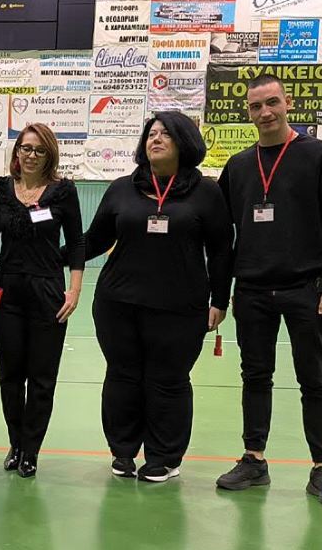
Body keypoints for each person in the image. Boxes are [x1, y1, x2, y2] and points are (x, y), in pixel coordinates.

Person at [215, 75, 322, 508]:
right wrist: (219, 295)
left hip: (308, 287)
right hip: (252, 290)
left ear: (288, 103)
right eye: (256, 106)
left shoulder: (321, 155)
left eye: (272, 103)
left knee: (314, 380)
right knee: (255, 376)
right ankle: (254, 460)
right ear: (248, 112)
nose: (265, 113)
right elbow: (221, 237)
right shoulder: (238, 166)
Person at [83, 112, 233, 482]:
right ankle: (122, 452)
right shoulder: (122, 189)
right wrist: (46, 257)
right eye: (151, 133)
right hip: (118, 304)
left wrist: (220, 300)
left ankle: (164, 457)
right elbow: (94, 240)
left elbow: (221, 250)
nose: (156, 138)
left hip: (180, 307)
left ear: (185, 142)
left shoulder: (206, 192)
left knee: (169, 381)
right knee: (122, 377)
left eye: (166, 133)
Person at [0, 122, 84, 478]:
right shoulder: (0, 190)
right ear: (17, 152)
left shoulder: (63, 192)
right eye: (26, 148)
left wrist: (74, 289)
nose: (31, 155)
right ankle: (16, 443)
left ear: (49, 155)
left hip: (48, 292)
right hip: (7, 292)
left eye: (39, 150)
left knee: (42, 378)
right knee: (10, 376)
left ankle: (31, 450)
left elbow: (76, 242)